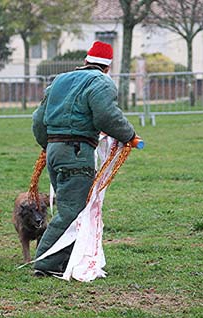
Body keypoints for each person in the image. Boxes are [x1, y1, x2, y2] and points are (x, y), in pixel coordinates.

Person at [32, 41, 141, 277]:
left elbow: (38, 119)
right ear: (108, 68)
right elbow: (106, 116)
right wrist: (129, 135)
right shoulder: (101, 82)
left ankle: (67, 258)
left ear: (85, 61)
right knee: (73, 211)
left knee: (66, 205)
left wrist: (47, 145)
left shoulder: (59, 81)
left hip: (54, 151)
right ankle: (45, 262)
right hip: (76, 152)